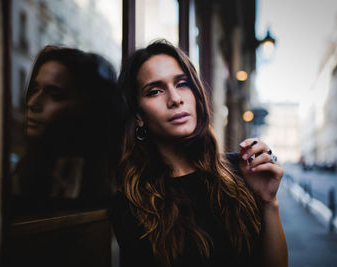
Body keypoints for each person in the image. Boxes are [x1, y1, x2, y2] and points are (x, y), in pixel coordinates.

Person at [110, 40, 287, 267]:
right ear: (138, 116)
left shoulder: (241, 171)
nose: (175, 99)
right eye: (155, 91)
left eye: (182, 84)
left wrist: (269, 203)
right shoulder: (133, 204)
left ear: (196, 93)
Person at [12, 45, 118, 213]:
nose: (33, 103)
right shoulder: (25, 173)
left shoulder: (104, 185)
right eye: (34, 89)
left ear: (87, 107)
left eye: (55, 95)